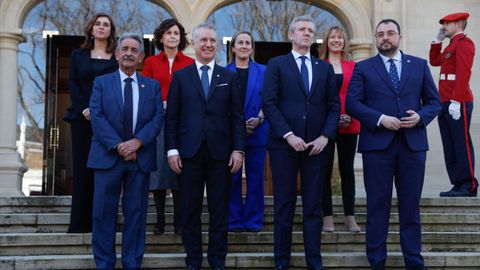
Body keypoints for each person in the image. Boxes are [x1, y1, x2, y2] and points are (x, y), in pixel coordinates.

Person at [346, 19, 441, 270]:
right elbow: (352, 104)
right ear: (376, 38)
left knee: (411, 208)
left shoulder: (419, 66)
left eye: (390, 33)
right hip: (377, 148)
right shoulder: (363, 68)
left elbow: (434, 102)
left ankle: (414, 262)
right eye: (380, 34)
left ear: (400, 36)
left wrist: (421, 117)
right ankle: (377, 262)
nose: (385, 37)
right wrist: (380, 119)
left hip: (413, 147)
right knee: (377, 207)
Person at [165, 23, 245, 270]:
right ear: (194, 44)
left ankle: (217, 261)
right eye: (203, 41)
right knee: (189, 211)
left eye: (212, 41)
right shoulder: (180, 77)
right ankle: (193, 261)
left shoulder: (229, 77)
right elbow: (172, 118)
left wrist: (238, 149)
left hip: (221, 154)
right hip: (188, 154)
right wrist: (172, 150)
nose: (208, 44)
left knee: (219, 211)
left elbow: (237, 117)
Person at [262, 15, 339, 270]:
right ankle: (281, 263)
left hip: (316, 147)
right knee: (284, 205)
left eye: (311, 30)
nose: (307, 33)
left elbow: (333, 106)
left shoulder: (324, 68)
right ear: (291, 35)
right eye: (302, 30)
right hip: (284, 146)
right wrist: (289, 135)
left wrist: (325, 137)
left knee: (313, 207)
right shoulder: (276, 64)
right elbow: (269, 103)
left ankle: (313, 263)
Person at [88, 33, 163, 269]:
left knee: (136, 214)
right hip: (107, 156)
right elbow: (97, 116)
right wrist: (120, 145)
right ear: (117, 54)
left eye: (134, 50)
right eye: (125, 49)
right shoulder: (101, 82)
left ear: (141, 57)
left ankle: (132, 263)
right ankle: (104, 264)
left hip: (139, 158)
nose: (129, 53)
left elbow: (157, 117)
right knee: (102, 214)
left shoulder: (151, 86)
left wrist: (137, 142)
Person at [64, 12, 118, 233]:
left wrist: (101, 115)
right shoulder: (78, 55)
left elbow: (117, 89)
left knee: (106, 172)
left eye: (106, 24)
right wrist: (85, 109)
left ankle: (104, 223)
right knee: (83, 170)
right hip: (82, 119)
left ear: (110, 31)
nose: (102, 27)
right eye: (98, 24)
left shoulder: (116, 57)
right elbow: (73, 84)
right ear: (91, 28)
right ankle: (80, 224)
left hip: (108, 122)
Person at [143, 18, 194, 235]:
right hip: (158, 120)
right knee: (160, 170)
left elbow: (193, 93)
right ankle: (161, 219)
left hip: (182, 121)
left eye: (176, 33)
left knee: (179, 170)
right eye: (169, 33)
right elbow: (146, 90)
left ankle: (180, 221)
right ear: (161, 37)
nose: (173, 36)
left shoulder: (190, 63)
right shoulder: (151, 62)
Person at [429, 12, 478, 197]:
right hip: (445, 101)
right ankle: (458, 184)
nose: (443, 27)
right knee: (449, 144)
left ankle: (468, 184)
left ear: (458, 24)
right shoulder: (452, 45)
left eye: (446, 23)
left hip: (458, 101)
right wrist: (437, 41)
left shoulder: (465, 43)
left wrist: (456, 101)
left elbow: (463, 74)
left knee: (461, 143)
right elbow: (435, 61)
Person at [318, 25, 360, 233]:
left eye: (340, 37)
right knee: (324, 171)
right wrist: (332, 119)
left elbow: (358, 95)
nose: (336, 40)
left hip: (349, 123)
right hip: (325, 126)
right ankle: (327, 217)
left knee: (347, 170)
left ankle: (349, 216)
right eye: (332, 37)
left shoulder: (353, 67)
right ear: (326, 41)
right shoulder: (319, 65)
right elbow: (316, 99)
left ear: (344, 42)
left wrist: (349, 115)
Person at [225, 31, 268, 233]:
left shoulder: (265, 71)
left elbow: (271, 100)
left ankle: (253, 221)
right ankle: (233, 221)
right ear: (233, 47)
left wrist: (259, 118)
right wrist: (236, 124)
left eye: (247, 43)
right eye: (239, 42)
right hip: (231, 134)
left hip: (257, 131)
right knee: (231, 176)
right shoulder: (223, 72)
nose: (243, 46)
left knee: (255, 177)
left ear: (251, 48)